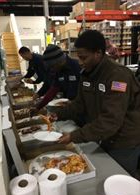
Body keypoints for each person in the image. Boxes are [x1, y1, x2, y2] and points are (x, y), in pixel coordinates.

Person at [51, 30, 140, 177]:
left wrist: (75, 136)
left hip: (124, 140)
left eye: (83, 57)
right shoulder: (87, 73)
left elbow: (110, 120)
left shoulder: (118, 77)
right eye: (78, 57)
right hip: (104, 135)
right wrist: (56, 115)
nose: (80, 62)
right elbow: (79, 104)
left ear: (98, 53)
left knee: (118, 177)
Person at [34, 44, 81, 111]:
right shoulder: (58, 70)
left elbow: (86, 95)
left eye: (52, 66)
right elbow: (53, 90)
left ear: (59, 61)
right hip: (68, 106)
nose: (52, 69)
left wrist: (74, 103)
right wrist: (38, 107)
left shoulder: (77, 67)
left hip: (81, 107)